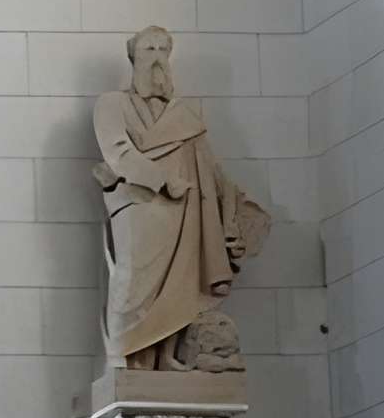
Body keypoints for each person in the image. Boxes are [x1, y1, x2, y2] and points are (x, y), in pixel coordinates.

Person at [93, 26, 269, 372]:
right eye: (148, 49)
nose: (156, 56)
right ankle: (122, 359)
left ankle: (166, 358)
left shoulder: (185, 114)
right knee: (132, 280)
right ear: (133, 57)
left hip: (185, 210)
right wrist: (162, 181)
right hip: (140, 207)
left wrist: (232, 210)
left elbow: (211, 167)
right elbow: (118, 152)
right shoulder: (112, 103)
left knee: (180, 287)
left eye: (162, 49)